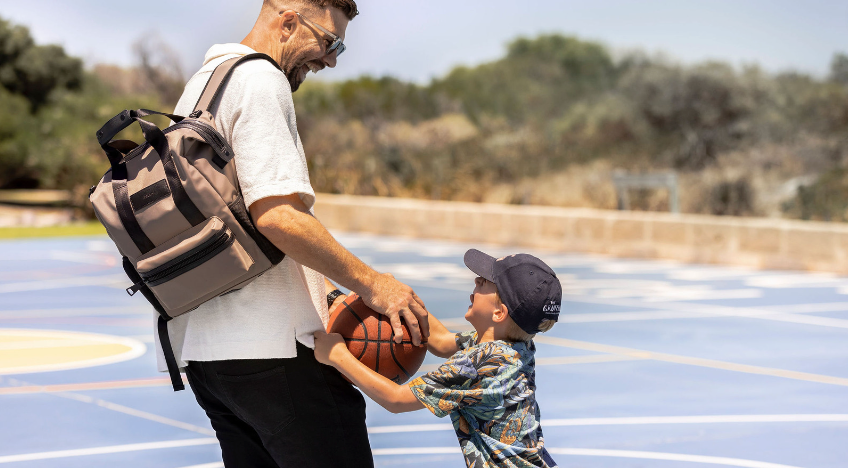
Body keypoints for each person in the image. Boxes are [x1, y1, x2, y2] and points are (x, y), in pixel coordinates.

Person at [160, 1, 429, 467]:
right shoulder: (261, 81)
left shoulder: (204, 83)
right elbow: (277, 216)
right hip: (274, 353)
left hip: (207, 354)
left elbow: (231, 216)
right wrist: (374, 284)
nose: (332, 60)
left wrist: (323, 289)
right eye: (330, 42)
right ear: (288, 22)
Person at [314, 249, 562, 468]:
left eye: (486, 281)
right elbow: (441, 341)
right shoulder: (515, 346)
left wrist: (337, 356)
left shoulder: (481, 364)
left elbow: (396, 399)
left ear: (499, 312)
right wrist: (394, 296)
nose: (477, 279)